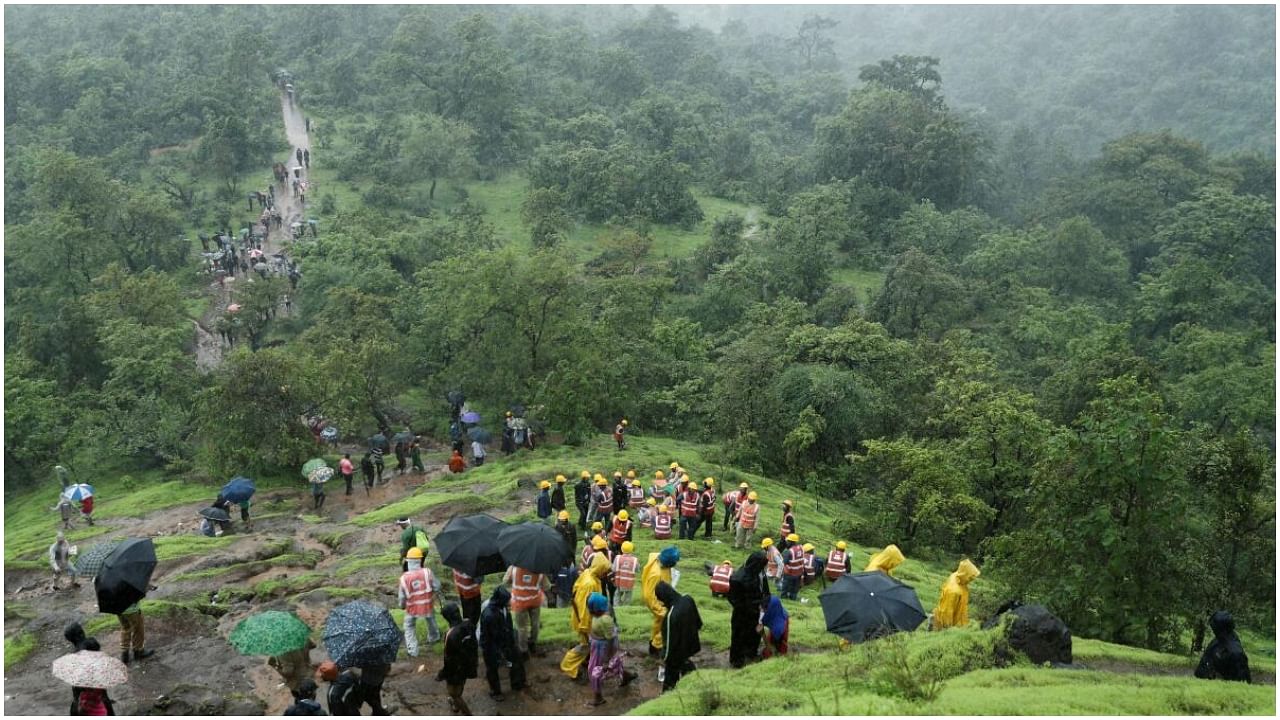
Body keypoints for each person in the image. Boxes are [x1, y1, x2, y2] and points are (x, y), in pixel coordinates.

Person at [560, 552, 611, 679]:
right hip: (585, 622)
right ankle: (568, 665)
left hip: (585, 619)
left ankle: (586, 661)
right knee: (585, 646)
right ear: (599, 568)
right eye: (604, 570)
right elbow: (584, 609)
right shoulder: (590, 584)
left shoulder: (590, 575)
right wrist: (587, 628)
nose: (605, 574)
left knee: (588, 645)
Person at [586, 592, 636, 706]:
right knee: (612, 664)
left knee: (595, 671)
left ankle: (598, 697)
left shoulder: (605, 619)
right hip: (598, 645)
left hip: (602, 647)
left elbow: (610, 639)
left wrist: (606, 659)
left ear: (596, 608)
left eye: (590, 607)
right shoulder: (599, 615)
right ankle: (625, 676)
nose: (589, 610)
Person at [480, 586, 526, 700]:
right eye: (507, 600)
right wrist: (501, 652)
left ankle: (517, 683)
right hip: (491, 645)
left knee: (516, 660)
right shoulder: (489, 615)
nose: (510, 602)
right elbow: (494, 636)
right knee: (492, 668)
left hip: (506, 640)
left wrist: (511, 642)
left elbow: (507, 625)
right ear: (500, 601)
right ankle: (495, 692)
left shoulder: (503, 608)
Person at [655, 581, 701, 690]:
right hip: (691, 644)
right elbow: (698, 622)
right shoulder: (688, 599)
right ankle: (694, 682)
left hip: (676, 653)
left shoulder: (671, 616)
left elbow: (669, 645)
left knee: (671, 677)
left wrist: (664, 658)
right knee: (686, 665)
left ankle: (667, 696)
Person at [728, 550, 769, 668]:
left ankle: (751, 654)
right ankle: (737, 661)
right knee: (738, 637)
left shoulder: (760, 574)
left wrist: (764, 603)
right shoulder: (737, 578)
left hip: (756, 611)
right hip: (742, 613)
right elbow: (733, 599)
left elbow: (765, 591)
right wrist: (751, 606)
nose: (764, 568)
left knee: (754, 634)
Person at [399, 548, 442, 656]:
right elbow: (437, 586)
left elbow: (402, 597)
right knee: (431, 620)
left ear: (408, 561)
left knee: (409, 626)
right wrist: (433, 594)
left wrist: (402, 606)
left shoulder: (404, 578)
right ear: (420, 560)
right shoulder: (427, 572)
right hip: (427, 604)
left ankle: (413, 651)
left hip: (411, 608)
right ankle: (434, 638)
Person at [438, 602, 478, 715]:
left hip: (456, 669)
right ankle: (455, 705)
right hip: (468, 663)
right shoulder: (469, 624)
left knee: (454, 694)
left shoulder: (450, 635)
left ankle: (468, 714)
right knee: (460, 685)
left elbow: (449, 659)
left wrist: (442, 673)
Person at [504, 564, 550, 659]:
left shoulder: (514, 567)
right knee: (535, 624)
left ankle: (523, 650)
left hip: (519, 602)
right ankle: (532, 644)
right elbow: (547, 586)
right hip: (534, 601)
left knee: (522, 627)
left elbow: (505, 581)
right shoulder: (539, 568)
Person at [642, 546, 680, 658]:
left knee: (658, 623)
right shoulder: (656, 574)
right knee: (665, 623)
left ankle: (653, 643)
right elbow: (649, 596)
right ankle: (657, 646)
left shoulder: (656, 557)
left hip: (662, 599)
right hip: (657, 603)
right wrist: (660, 609)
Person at [1195, 610, 1251, 683]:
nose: (1213, 630)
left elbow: (1243, 683)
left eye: (1214, 628)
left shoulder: (1236, 653)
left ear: (1220, 629)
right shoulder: (1217, 641)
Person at [932, 559, 980, 630]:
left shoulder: (957, 576)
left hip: (958, 618)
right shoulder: (954, 591)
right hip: (948, 625)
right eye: (970, 577)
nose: (971, 580)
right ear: (964, 574)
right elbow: (947, 613)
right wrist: (949, 630)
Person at [611, 541, 639, 606]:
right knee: (628, 596)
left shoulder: (617, 558)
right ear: (632, 550)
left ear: (621, 549)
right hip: (629, 582)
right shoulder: (634, 560)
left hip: (619, 581)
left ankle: (617, 607)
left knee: (617, 595)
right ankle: (626, 607)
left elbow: (613, 569)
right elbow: (637, 569)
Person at [779, 534, 805, 600]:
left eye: (788, 541)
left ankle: (783, 596)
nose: (786, 542)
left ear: (792, 542)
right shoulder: (801, 548)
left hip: (790, 572)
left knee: (786, 584)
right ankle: (793, 597)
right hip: (799, 572)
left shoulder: (789, 551)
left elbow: (785, 562)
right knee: (795, 587)